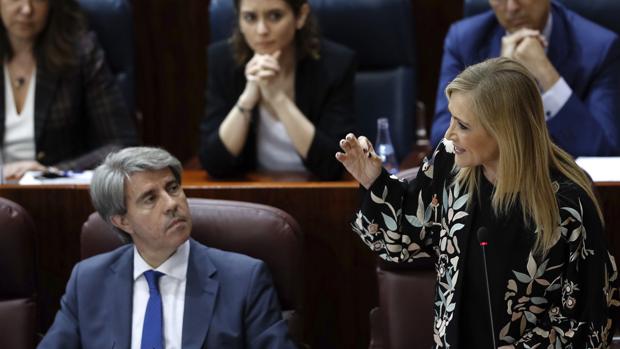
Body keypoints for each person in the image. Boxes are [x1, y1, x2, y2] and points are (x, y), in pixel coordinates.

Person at [337, 58, 619, 348]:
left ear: (505, 130)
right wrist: (373, 180)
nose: (448, 134)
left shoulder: (569, 205)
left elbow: (588, 323)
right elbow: (403, 238)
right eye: (451, 118)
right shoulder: (450, 164)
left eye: (463, 125)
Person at [38, 147, 296, 349]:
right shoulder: (88, 281)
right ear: (122, 220)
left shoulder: (244, 280)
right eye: (150, 198)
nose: (172, 203)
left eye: (173, 188)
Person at [430, 0, 620, 157]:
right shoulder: (464, 40)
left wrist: (546, 73)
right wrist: (499, 81)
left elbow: (601, 150)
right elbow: (443, 138)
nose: (512, 6)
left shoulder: (599, 48)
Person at [200, 0, 356, 180]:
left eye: (275, 16)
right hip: (252, 194)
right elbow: (212, 163)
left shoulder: (335, 65)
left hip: (318, 191)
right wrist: (248, 98)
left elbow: (334, 166)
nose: (262, 30)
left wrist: (277, 98)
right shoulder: (223, 62)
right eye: (250, 17)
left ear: (300, 16)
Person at [0, 0, 136, 180]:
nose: (27, 9)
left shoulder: (80, 53)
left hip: (58, 194)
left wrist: (50, 171)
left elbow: (122, 144)